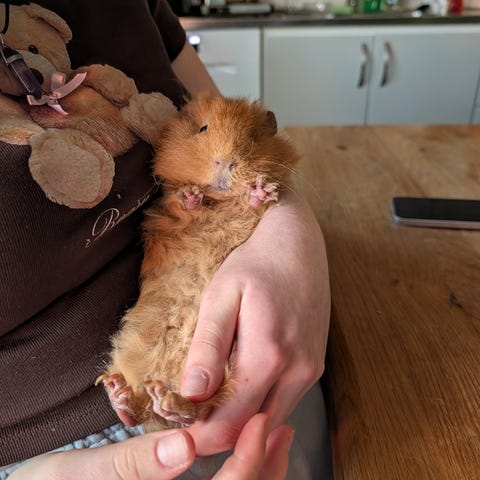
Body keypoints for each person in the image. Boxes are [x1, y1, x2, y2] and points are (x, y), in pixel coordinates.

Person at [0, 0, 331, 478]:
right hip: (60, 449)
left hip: (277, 364)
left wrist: (290, 229)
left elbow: (227, 118)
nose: (223, 160)